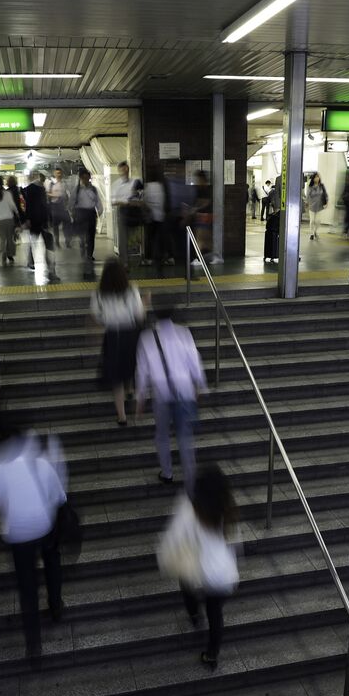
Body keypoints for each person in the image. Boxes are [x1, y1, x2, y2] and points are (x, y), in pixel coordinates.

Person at [0, 427, 66, 659]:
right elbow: (60, 497)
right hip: (44, 525)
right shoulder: (42, 464)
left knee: (27, 586)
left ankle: (34, 645)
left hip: (18, 533)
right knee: (52, 558)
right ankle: (55, 604)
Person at [157, 465, 239, 668]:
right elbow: (235, 541)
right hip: (224, 575)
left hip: (200, 569)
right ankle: (212, 655)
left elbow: (174, 538)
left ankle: (194, 614)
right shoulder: (226, 508)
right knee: (215, 613)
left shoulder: (190, 509)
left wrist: (164, 557)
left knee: (185, 581)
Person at [136, 304, 207, 487]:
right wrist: (199, 385)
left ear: (155, 316)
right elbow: (194, 359)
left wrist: (140, 397)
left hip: (161, 395)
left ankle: (167, 473)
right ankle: (190, 478)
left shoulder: (146, 337)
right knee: (184, 436)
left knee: (162, 435)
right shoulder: (183, 333)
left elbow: (142, 370)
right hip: (184, 392)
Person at [91, 258, 145, 426]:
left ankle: (122, 416)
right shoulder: (132, 290)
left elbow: (97, 316)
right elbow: (139, 316)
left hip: (113, 335)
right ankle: (130, 390)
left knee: (116, 377)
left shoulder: (99, 294)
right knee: (130, 364)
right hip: (131, 334)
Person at [22, 172, 59, 282]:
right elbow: (44, 206)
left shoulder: (30, 189)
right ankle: (51, 270)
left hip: (35, 221)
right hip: (42, 221)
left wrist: (28, 219)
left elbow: (28, 206)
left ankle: (31, 261)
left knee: (33, 242)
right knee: (48, 246)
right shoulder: (39, 189)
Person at [74, 168, 104, 270]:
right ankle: (84, 253)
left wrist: (99, 212)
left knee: (91, 236)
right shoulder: (77, 190)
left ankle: (89, 255)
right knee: (82, 236)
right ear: (80, 178)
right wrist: (73, 214)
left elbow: (98, 202)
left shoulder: (94, 189)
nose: (85, 179)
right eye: (83, 177)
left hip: (91, 214)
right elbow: (71, 202)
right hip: (80, 214)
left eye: (87, 177)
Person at [111, 160, 139, 266]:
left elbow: (140, 197)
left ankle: (136, 259)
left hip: (135, 212)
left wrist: (136, 201)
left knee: (135, 238)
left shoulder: (135, 182)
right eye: (122, 169)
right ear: (119, 171)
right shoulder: (116, 185)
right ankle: (125, 262)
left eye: (126, 168)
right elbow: (113, 202)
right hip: (123, 211)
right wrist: (126, 202)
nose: (125, 171)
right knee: (123, 238)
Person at [0, 177, 21, 265]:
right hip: (9, 219)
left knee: (2, 238)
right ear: (2, 183)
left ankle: (3, 253)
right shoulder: (7, 193)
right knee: (10, 238)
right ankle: (10, 255)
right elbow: (12, 205)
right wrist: (17, 213)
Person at [144, 168, 171, 275]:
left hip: (151, 218)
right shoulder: (161, 186)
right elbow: (164, 201)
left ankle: (151, 258)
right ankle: (161, 258)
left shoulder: (147, 187)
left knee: (151, 238)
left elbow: (144, 201)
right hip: (161, 217)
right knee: (159, 240)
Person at [189, 170, 216, 265]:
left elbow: (205, 202)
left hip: (202, 215)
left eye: (197, 179)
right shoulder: (207, 188)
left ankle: (198, 258)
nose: (196, 181)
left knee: (199, 238)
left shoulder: (202, 189)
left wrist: (195, 208)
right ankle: (213, 257)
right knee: (206, 238)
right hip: (208, 215)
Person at [47, 167, 72, 250]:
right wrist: (56, 195)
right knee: (55, 226)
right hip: (55, 206)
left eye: (60, 173)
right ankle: (57, 242)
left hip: (63, 207)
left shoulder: (64, 183)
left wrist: (68, 201)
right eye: (57, 173)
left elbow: (68, 193)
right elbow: (47, 194)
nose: (59, 174)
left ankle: (67, 242)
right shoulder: (51, 184)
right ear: (55, 174)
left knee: (67, 224)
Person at [305, 173, 327, 241]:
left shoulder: (321, 186)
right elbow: (308, 195)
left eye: (318, 177)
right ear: (313, 178)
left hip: (319, 206)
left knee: (318, 221)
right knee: (312, 221)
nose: (317, 178)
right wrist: (307, 202)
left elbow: (325, 194)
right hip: (312, 206)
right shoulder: (310, 186)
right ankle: (312, 233)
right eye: (316, 177)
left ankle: (315, 231)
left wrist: (326, 202)